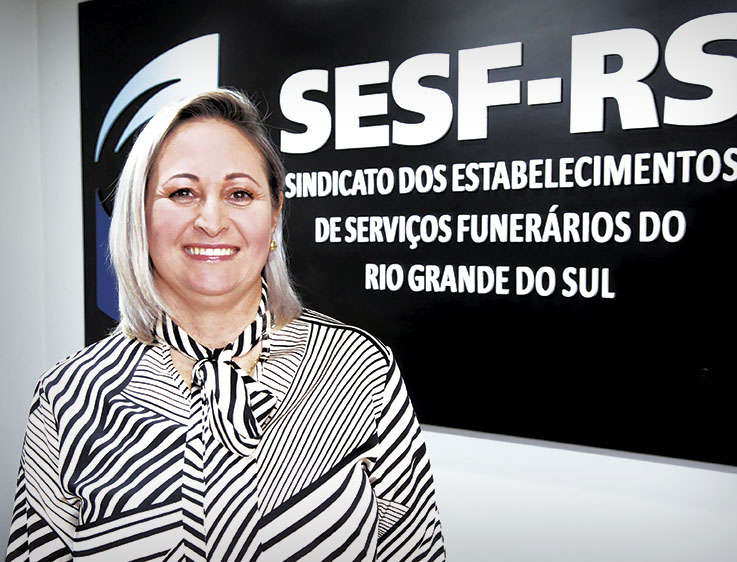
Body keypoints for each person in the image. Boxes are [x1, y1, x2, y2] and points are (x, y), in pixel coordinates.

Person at [7, 89, 445, 561]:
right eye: (182, 193)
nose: (212, 221)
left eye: (240, 194)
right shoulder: (68, 394)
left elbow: (417, 550)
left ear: (274, 215)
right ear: (140, 214)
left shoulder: (360, 369)